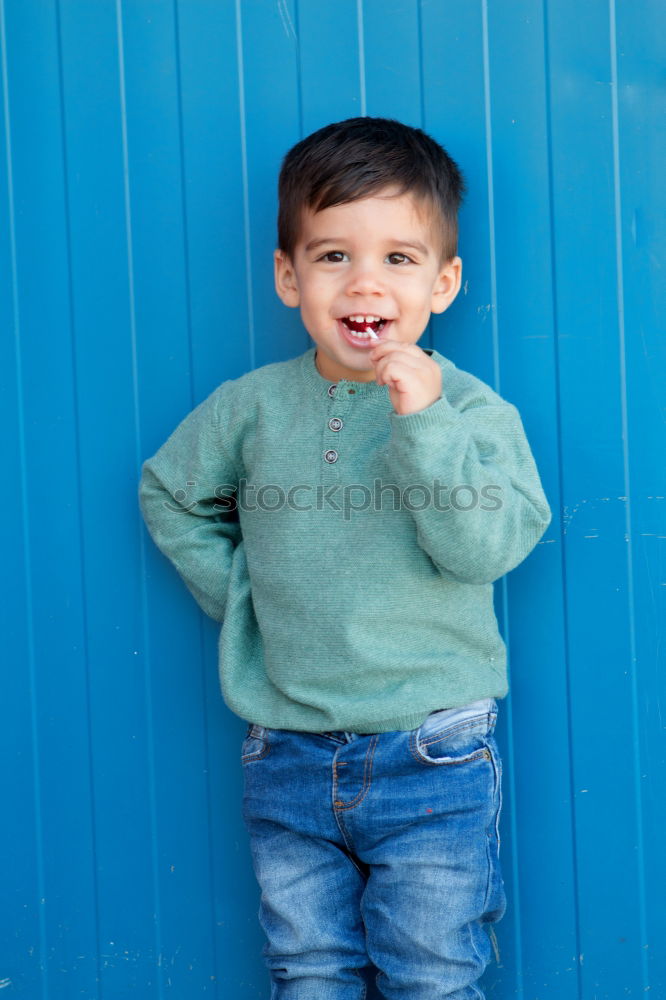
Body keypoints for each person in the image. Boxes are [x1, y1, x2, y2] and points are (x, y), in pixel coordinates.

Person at [139, 116, 552, 999]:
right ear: (289, 276)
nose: (365, 281)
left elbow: (485, 546)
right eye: (333, 257)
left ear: (444, 283)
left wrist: (424, 422)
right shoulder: (251, 408)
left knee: (433, 974)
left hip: (431, 749)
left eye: (399, 259)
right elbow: (170, 494)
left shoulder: (475, 415)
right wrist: (244, 598)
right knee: (308, 969)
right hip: (285, 746)